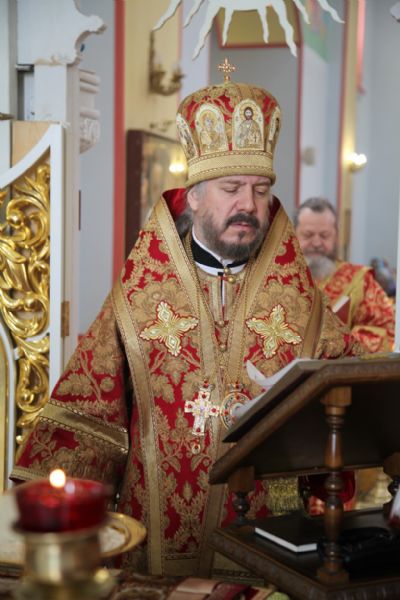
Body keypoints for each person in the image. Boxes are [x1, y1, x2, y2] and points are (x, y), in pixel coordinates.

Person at [12, 74, 360, 579]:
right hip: (154, 545)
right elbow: (90, 411)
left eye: (261, 190)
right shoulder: (139, 297)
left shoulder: (302, 304)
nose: (249, 205)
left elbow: (348, 406)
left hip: (269, 544)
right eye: (231, 188)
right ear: (193, 196)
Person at [294, 197, 395, 353]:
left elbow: (386, 330)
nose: (316, 243)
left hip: (340, 367)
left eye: (324, 235)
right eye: (308, 235)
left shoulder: (360, 281)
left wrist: (337, 344)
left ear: (336, 237)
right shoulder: (277, 278)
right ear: (293, 235)